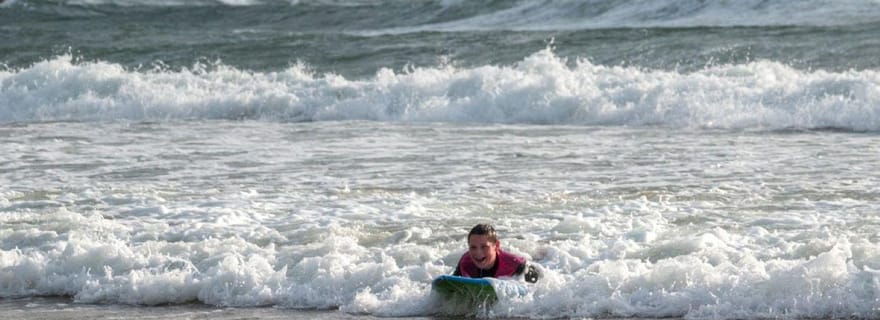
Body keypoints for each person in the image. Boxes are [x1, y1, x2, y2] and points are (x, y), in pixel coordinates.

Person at [453, 223, 540, 283]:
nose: (478, 252)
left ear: (496, 246)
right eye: (473, 247)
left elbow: (538, 286)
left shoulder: (516, 265)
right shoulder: (465, 261)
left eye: (484, 247)